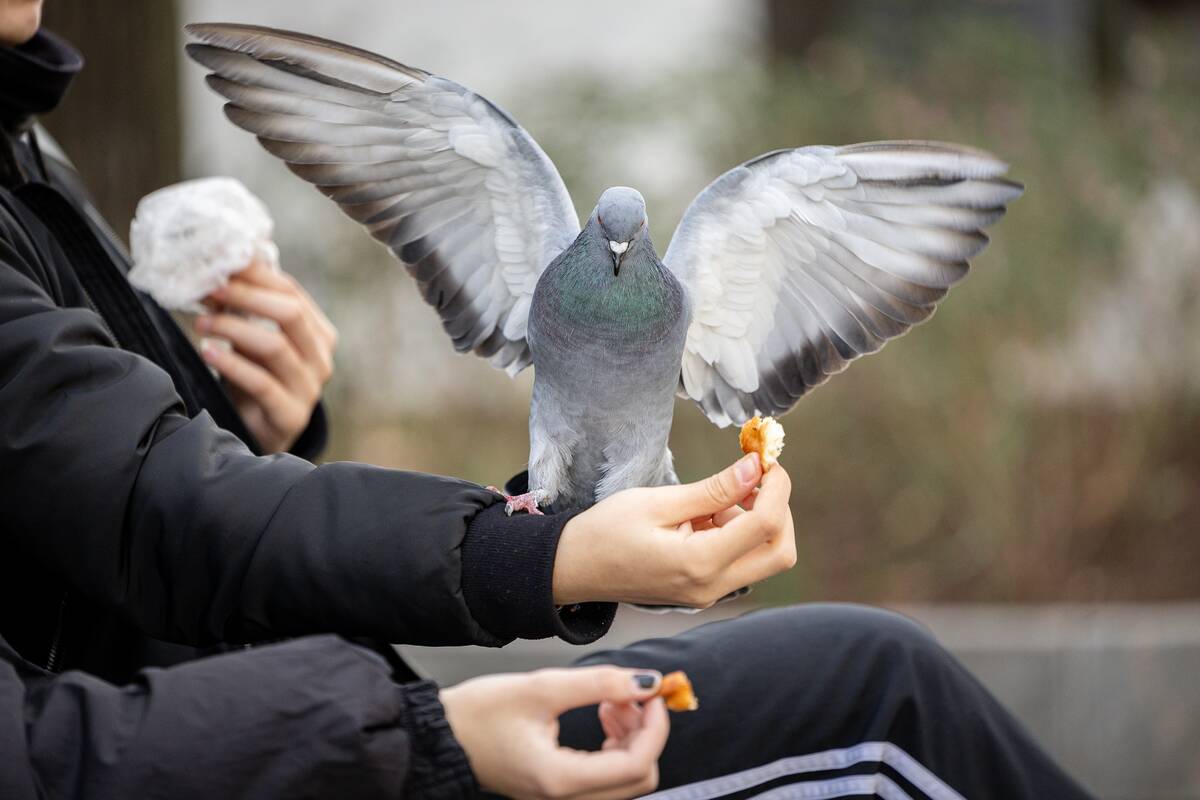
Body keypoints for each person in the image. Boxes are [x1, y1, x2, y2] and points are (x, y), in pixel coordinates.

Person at [0, 3, 1096, 799]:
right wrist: (499, 610)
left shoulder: (29, 152)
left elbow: (118, 483)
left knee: (883, 669)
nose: (620, 256)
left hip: (318, 710)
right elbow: (152, 504)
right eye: (610, 244)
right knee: (879, 694)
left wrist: (261, 421)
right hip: (303, 747)